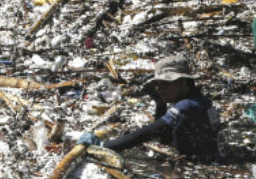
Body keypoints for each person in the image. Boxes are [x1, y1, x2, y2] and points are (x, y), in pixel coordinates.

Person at [79, 54, 222, 161]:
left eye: (166, 84)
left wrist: (105, 145)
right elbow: (164, 137)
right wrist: (161, 104)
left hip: (205, 163)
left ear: (183, 82)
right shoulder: (199, 101)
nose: (160, 89)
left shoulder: (187, 106)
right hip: (209, 158)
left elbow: (149, 133)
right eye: (158, 85)